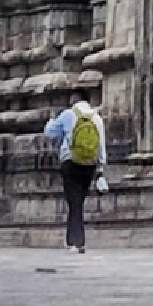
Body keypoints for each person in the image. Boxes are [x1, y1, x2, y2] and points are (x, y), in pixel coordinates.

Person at [43, 96, 107, 252]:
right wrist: (100, 169)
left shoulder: (68, 114)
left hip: (71, 162)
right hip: (89, 164)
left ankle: (75, 242)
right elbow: (101, 146)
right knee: (79, 201)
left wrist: (52, 119)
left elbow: (49, 132)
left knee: (74, 202)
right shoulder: (97, 118)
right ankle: (76, 239)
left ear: (74, 100)